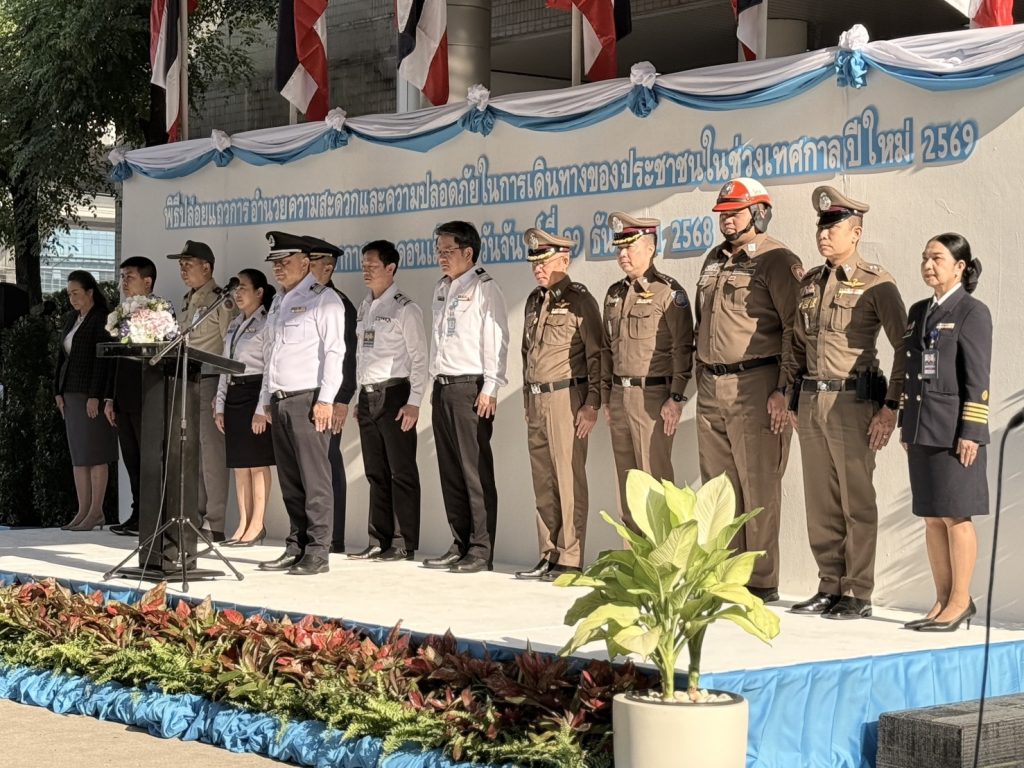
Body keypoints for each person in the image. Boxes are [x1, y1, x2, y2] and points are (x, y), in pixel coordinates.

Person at [788, 186, 908, 620]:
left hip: (852, 403)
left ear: (855, 233)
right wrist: (790, 396)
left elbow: (905, 347)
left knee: (856, 501)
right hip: (811, 402)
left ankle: (857, 591)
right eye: (821, 228)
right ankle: (829, 585)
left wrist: (891, 408)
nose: (823, 235)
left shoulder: (877, 283)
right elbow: (794, 346)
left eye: (833, 228)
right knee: (820, 501)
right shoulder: (809, 284)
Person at [693, 178, 803, 604]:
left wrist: (784, 389)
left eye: (735, 212)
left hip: (756, 384)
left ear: (759, 213)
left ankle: (760, 581)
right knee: (719, 490)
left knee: (758, 486)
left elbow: (795, 328)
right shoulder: (713, 259)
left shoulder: (777, 259)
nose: (727, 220)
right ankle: (725, 577)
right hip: (711, 385)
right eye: (723, 213)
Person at [900, 233, 991, 632]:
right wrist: (906, 423)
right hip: (922, 426)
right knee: (931, 517)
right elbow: (908, 370)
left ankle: (960, 601)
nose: (928, 265)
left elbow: (978, 376)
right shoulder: (919, 310)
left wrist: (972, 430)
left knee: (956, 515)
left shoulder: (972, 311)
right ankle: (941, 600)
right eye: (925, 257)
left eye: (937, 258)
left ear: (960, 266)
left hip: (955, 432)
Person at [514, 228, 602, 583]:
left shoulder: (580, 300)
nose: (538, 267)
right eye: (534, 261)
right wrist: (526, 399)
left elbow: (597, 355)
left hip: (566, 398)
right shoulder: (533, 301)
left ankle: (570, 557)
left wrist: (592, 403)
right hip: (537, 399)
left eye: (545, 261)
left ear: (564, 260)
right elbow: (527, 354)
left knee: (568, 479)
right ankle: (547, 553)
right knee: (543, 481)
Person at [258, 231, 347, 576]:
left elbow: (335, 352)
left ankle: (318, 550)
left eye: (285, 261)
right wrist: (265, 399)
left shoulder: (324, 299)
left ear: (306, 262)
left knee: (315, 480)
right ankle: (296, 545)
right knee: (291, 481)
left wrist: (326, 400)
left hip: (308, 399)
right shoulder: (278, 301)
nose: (278, 268)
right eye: (275, 263)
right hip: (280, 399)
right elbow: (271, 353)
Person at [423, 220, 509, 574]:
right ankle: (459, 542)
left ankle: (480, 548)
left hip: (470, 388)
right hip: (443, 387)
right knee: (450, 470)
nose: (441, 257)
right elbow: (438, 340)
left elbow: (496, 339)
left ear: (468, 252)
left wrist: (491, 387)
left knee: (474, 472)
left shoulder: (485, 288)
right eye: (438, 251)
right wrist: (433, 383)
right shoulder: (441, 288)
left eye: (448, 251)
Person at [601, 211, 694, 529]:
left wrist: (676, 397)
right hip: (619, 396)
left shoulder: (668, 292)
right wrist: (606, 398)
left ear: (651, 249)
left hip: (652, 397)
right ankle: (634, 555)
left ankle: (663, 557)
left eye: (630, 247)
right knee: (626, 484)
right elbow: (607, 349)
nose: (622, 254)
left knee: (654, 482)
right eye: (619, 248)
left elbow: (683, 348)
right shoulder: (614, 294)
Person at [348, 239, 428, 562]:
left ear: (391, 268)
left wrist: (415, 401)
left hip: (395, 395)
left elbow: (420, 358)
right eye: (364, 265)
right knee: (375, 471)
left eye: (373, 265)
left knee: (401, 471)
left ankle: (403, 541)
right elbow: (362, 355)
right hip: (368, 396)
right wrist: (359, 395)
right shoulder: (365, 306)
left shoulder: (404, 308)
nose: (366, 271)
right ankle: (378, 538)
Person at [167, 240, 237, 542]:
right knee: (190, 452)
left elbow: (229, 348)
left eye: (188, 264)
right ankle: (193, 516)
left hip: (210, 380)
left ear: (206, 267)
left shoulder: (221, 301)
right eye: (180, 265)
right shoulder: (188, 299)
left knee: (211, 455)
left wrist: (222, 392)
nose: (183, 270)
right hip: (187, 379)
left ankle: (215, 522)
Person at [214, 269, 277, 547]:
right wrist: (219, 404)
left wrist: (263, 407)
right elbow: (224, 365)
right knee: (240, 465)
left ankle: (257, 523)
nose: (237, 293)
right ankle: (242, 523)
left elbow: (270, 368)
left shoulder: (266, 322)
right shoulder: (234, 323)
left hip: (255, 392)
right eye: (235, 288)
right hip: (234, 394)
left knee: (257, 463)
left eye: (243, 288)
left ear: (259, 292)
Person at [304, 235, 358, 555]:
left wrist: (342, 399)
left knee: (327, 464)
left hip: (329, 397)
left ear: (328, 267)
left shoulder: (338, 302)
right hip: (304, 395)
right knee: (307, 468)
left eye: (312, 263)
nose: (306, 268)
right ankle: (309, 535)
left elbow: (347, 357)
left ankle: (333, 537)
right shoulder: (302, 299)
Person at [104, 256, 163, 536]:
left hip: (147, 394)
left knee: (149, 459)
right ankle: (137, 513)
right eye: (122, 277)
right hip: (123, 395)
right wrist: (109, 398)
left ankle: (153, 516)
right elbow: (114, 359)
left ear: (147, 281)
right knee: (131, 459)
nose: (124, 283)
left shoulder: (160, 310)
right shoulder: (121, 311)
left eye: (130, 277)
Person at [55, 270, 118, 531]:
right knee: (79, 455)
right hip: (70, 393)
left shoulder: (101, 318)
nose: (72, 298)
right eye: (69, 294)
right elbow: (61, 357)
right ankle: (82, 510)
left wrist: (95, 396)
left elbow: (103, 362)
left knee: (95, 453)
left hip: (90, 395)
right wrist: (57, 391)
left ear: (90, 292)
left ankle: (96, 512)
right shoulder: (72, 318)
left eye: (76, 293)